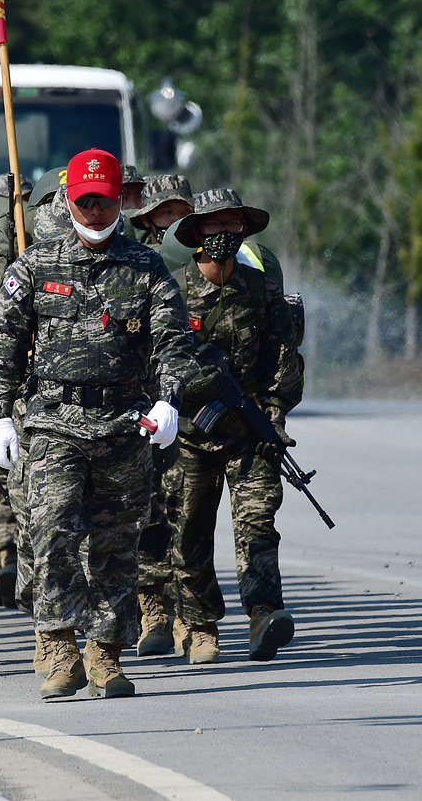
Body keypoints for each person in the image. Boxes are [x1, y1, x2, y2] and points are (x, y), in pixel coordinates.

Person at [0, 149, 197, 701]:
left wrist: (169, 400)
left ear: (120, 202)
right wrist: (2, 414)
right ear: (70, 200)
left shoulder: (146, 268)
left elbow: (173, 341)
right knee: (51, 530)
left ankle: (105, 652)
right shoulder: (35, 265)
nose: (96, 211)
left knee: (116, 543)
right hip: (53, 420)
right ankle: (57, 644)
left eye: (104, 201)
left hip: (125, 423)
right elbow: (3, 342)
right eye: (85, 201)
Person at [168, 188, 305, 662]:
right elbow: (155, 361)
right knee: (187, 531)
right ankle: (201, 625)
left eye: (232, 226)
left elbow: (284, 357)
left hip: (248, 434)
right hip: (189, 436)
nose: (224, 234)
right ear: (197, 234)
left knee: (258, 521)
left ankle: (264, 613)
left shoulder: (262, 288)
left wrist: (273, 413)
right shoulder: (173, 291)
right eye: (214, 226)